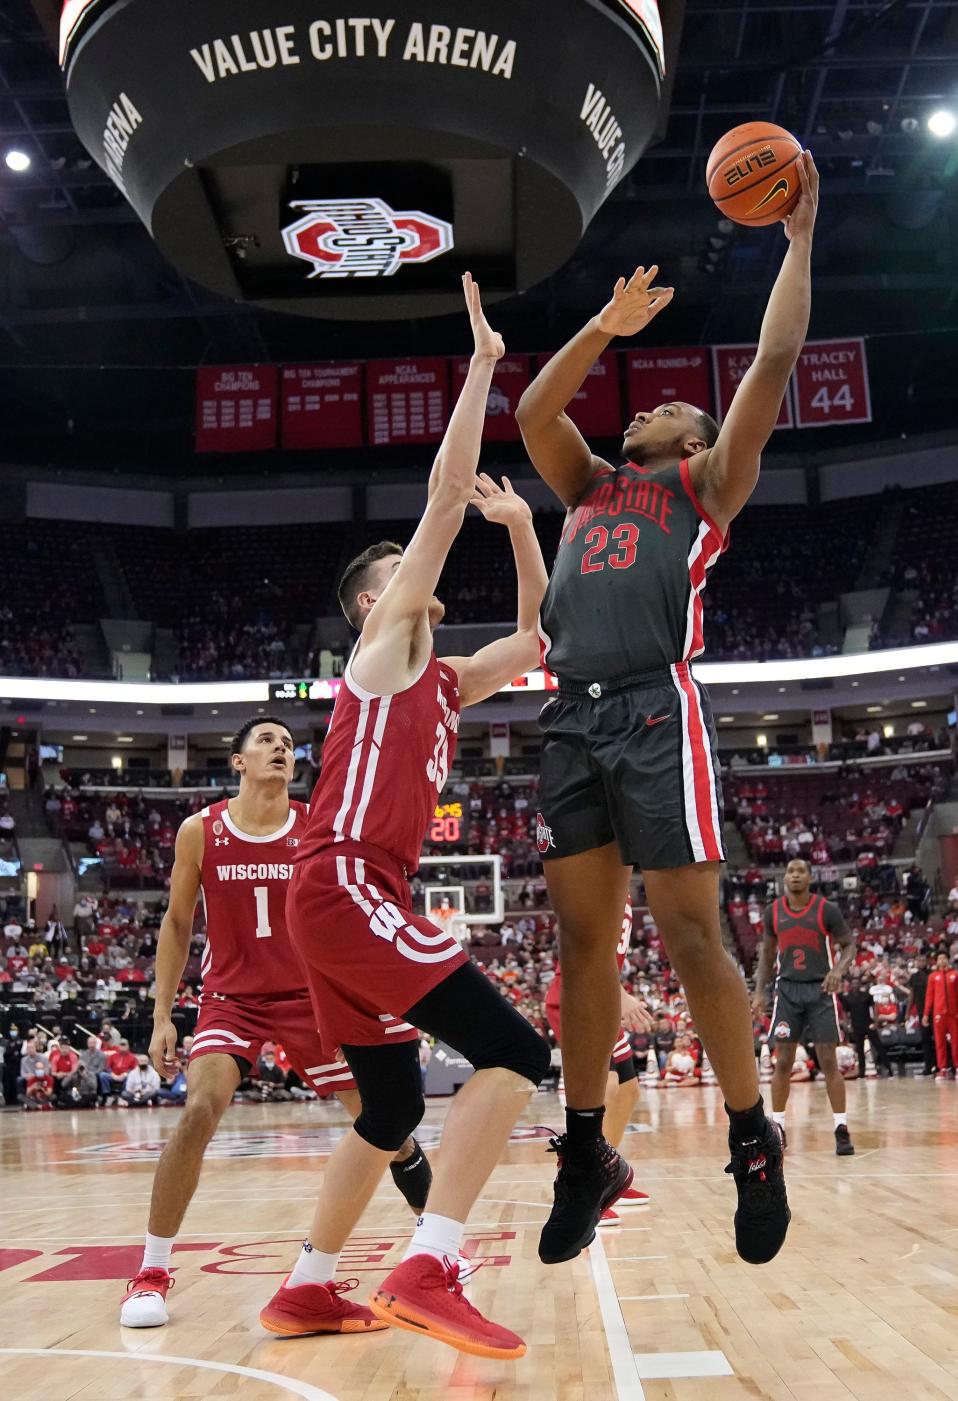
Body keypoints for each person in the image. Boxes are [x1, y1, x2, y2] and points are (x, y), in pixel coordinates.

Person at [515, 153, 820, 1266]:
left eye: (674, 406)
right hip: (568, 716)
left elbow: (775, 359)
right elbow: (536, 405)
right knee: (582, 945)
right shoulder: (588, 486)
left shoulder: (704, 486)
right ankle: (589, 1147)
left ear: (690, 446)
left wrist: (794, 243)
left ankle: (751, 1134)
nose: (656, 403)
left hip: (654, 710)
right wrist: (603, 323)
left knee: (692, 934)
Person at [260, 273, 551, 1358]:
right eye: (401, 570)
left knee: (387, 1113)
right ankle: (428, 1265)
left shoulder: (442, 674)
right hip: (343, 885)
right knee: (516, 1050)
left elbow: (533, 645)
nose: (421, 564)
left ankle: (303, 1287)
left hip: (337, 901)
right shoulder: (385, 654)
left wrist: (522, 529)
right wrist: (481, 368)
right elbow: (437, 504)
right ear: (373, 607)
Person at [120, 717, 430, 1329]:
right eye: (266, 741)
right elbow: (178, 923)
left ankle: (437, 1247)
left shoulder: (318, 824)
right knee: (200, 1109)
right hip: (231, 997)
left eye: (287, 744)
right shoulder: (199, 831)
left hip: (312, 997)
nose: (280, 749)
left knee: (387, 1125)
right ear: (237, 761)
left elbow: (355, 906)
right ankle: (151, 1270)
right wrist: (161, 1013)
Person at [543, 901, 654, 1223]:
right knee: (606, 1087)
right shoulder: (596, 882)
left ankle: (607, 1176)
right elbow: (576, 940)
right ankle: (580, 1185)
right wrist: (619, 992)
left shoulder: (623, 890)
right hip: (576, 995)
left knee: (629, 1089)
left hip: (600, 994)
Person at [752, 859, 856, 1155]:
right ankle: (778, 1126)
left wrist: (838, 971)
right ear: (784, 878)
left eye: (801, 871)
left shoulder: (826, 909)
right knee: (782, 1061)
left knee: (828, 1061)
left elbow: (849, 944)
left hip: (820, 989)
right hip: (787, 990)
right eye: (790, 871)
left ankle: (841, 1127)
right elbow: (766, 954)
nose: (795, 876)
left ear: (810, 878)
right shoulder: (773, 912)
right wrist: (759, 991)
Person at [923, 950, 958, 1079]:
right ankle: (942, 1068)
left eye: (944, 958)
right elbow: (929, 997)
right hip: (938, 1014)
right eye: (940, 958)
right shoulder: (933, 977)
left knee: (956, 1041)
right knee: (940, 1042)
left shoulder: (955, 975)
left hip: (953, 1014)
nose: (942, 960)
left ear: (948, 960)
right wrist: (926, 1014)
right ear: (937, 961)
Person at [99, 1038, 137, 1104]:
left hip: (125, 1076)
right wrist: (112, 1074)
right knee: (102, 1075)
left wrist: (125, 1074)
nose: (122, 1047)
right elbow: (107, 1067)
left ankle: (123, 1097)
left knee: (129, 1077)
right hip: (113, 1075)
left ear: (128, 1046)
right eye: (121, 1045)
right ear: (118, 1046)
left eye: (124, 1045)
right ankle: (107, 1095)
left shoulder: (132, 1057)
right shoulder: (113, 1056)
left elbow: (134, 1069)